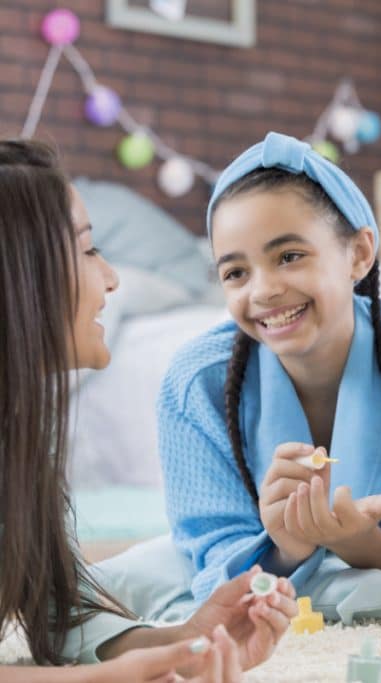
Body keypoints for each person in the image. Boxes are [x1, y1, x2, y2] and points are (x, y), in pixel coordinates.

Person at [0, 139, 297, 680]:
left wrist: (183, 640)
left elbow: (57, 607)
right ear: (19, 274)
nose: (112, 278)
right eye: (89, 250)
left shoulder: (18, 438)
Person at [159, 132, 381, 602]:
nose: (264, 291)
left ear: (359, 253)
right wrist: (288, 549)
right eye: (236, 272)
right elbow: (214, 556)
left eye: (289, 257)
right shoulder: (195, 382)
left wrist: (358, 542)